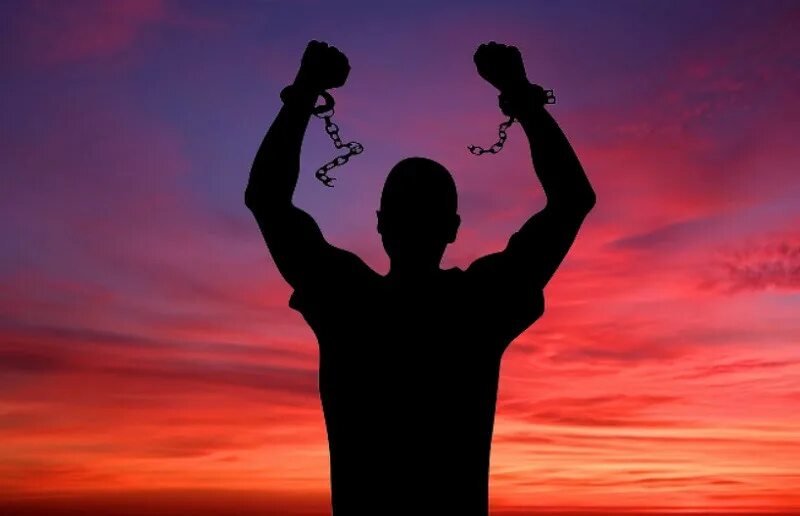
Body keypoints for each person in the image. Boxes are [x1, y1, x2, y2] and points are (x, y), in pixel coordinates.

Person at [245, 40, 596, 516]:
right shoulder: (478, 306)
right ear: (453, 228)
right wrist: (519, 94)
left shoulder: (346, 300)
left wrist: (306, 89)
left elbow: (267, 198)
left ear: (380, 223)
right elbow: (572, 200)